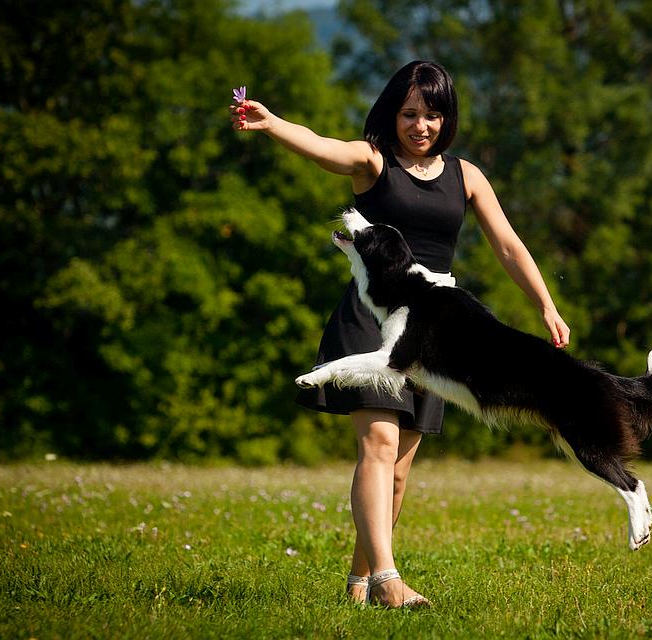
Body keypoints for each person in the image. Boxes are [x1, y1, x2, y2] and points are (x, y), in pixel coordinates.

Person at [230, 61, 570, 608]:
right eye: (410, 114)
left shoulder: (467, 176)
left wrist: (546, 306)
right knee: (379, 442)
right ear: (393, 115)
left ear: (447, 119)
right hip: (371, 319)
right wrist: (273, 125)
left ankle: (358, 584)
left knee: (399, 470)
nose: (420, 125)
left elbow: (508, 246)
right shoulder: (373, 161)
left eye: (432, 115)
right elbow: (321, 147)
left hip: (434, 333)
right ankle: (390, 581)